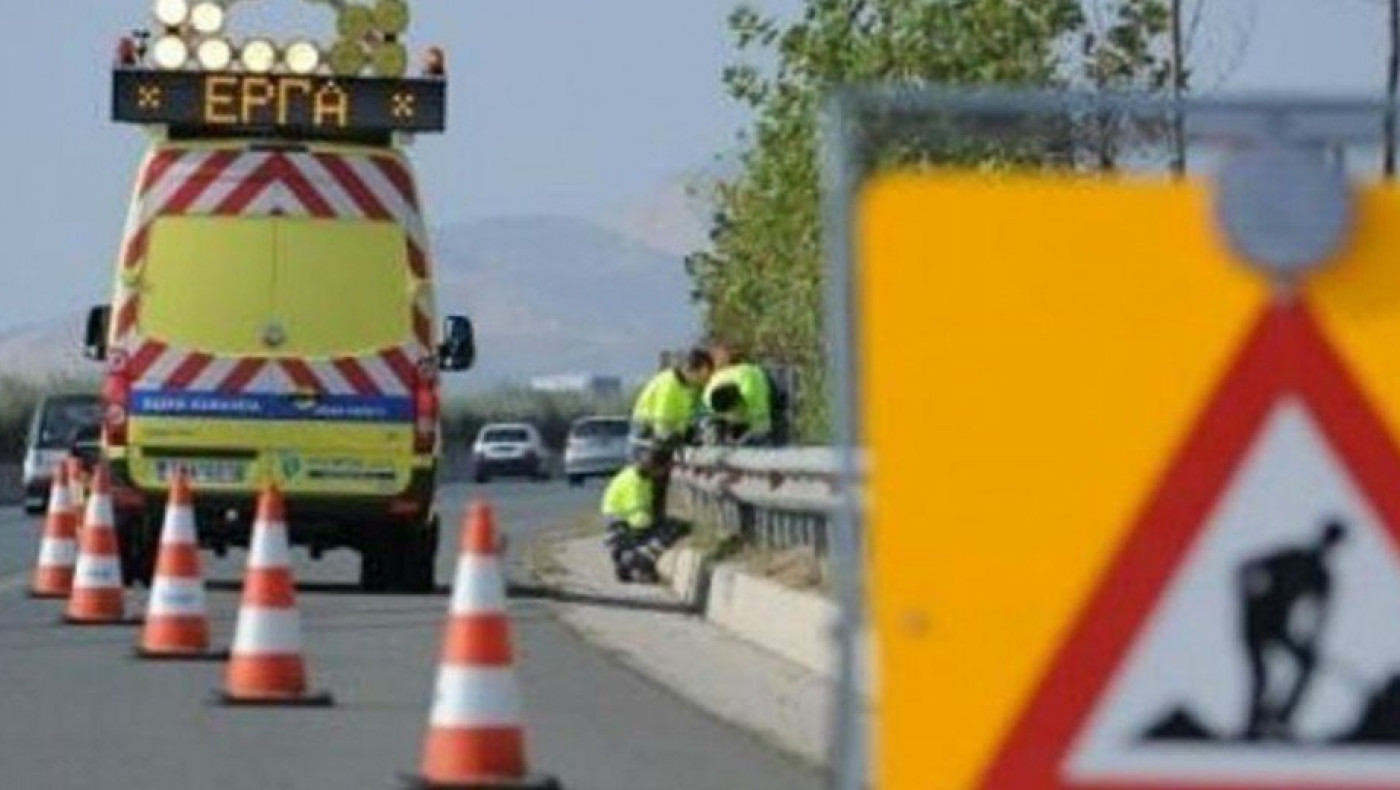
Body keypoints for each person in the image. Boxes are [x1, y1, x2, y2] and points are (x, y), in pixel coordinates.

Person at [1237, 519, 1348, 741]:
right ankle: (1252, 727)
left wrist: (1310, 643)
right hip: (1257, 625)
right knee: (1260, 676)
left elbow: (1320, 616)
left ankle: (1281, 719)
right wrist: (1252, 597)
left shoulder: (1322, 577)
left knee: (1307, 664)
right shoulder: (1292, 557)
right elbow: (1245, 568)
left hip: (1279, 629)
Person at [601, 449, 680, 584]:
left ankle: (629, 559)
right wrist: (656, 523)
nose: (666, 473)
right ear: (656, 468)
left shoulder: (636, 475)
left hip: (617, 520)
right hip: (623, 523)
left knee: (663, 527)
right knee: (670, 531)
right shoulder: (637, 482)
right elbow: (638, 516)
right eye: (664, 469)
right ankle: (634, 561)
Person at [704, 363, 774, 446]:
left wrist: (743, 440)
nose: (732, 417)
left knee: (762, 438)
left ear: (740, 402)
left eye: (735, 413)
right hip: (723, 376)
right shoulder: (708, 399)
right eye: (726, 415)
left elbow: (764, 428)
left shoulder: (755, 398)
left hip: (756, 375)